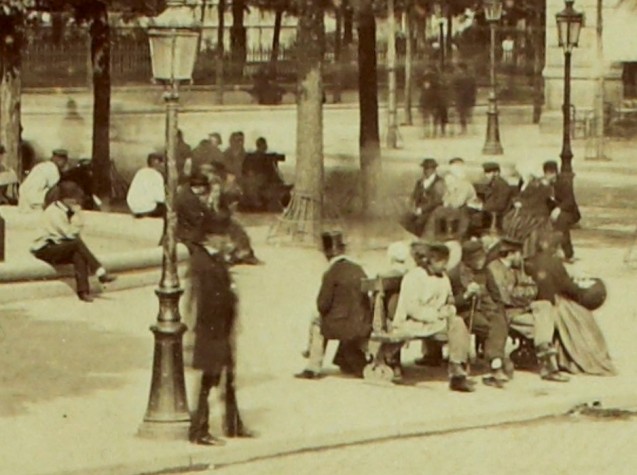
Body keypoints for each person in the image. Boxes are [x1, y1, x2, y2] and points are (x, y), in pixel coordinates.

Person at [177, 176, 253, 446]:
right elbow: (206, 300)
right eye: (224, 238)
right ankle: (199, 430)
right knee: (209, 381)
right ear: (212, 237)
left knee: (226, 380)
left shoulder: (213, 259)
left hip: (221, 329)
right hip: (211, 330)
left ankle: (232, 425)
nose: (228, 243)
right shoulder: (203, 263)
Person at [525, 232, 615, 376]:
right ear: (555, 248)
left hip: (532, 301)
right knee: (582, 319)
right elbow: (567, 287)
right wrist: (583, 287)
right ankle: (576, 358)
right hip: (551, 304)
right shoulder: (554, 263)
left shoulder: (529, 261)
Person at [392, 242, 476, 392]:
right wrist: (436, 315)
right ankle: (457, 370)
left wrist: (449, 310)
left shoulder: (443, 277)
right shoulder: (414, 277)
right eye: (442, 262)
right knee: (455, 324)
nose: (445, 267)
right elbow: (412, 308)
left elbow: (448, 299)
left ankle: (457, 370)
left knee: (457, 322)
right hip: (414, 321)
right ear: (432, 260)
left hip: (436, 321)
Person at [486, 237, 569, 382]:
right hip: (506, 313)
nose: (521, 257)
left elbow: (533, 288)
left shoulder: (518, 268)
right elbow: (505, 297)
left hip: (522, 308)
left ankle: (545, 356)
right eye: (518, 253)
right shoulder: (495, 269)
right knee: (546, 324)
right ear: (510, 253)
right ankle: (548, 365)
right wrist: (523, 293)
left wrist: (521, 293)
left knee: (545, 306)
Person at [295, 231, 372, 380]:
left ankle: (313, 365)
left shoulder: (331, 273)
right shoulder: (358, 268)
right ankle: (341, 357)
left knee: (317, 321)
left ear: (328, 253)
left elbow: (322, 305)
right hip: (362, 321)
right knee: (341, 315)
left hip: (343, 324)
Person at [30, 182, 116, 302]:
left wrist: (77, 215)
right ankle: (99, 271)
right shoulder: (54, 212)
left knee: (78, 254)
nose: (75, 202)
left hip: (56, 245)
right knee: (76, 244)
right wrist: (78, 216)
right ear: (64, 199)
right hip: (44, 249)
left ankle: (83, 291)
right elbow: (70, 234)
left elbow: (71, 234)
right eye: (72, 199)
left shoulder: (65, 210)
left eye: (76, 199)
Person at [448, 240, 511, 388]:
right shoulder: (455, 275)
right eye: (477, 259)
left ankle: (496, 364)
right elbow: (451, 303)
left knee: (499, 320)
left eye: (482, 257)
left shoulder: (485, 272)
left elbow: (495, 294)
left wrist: (499, 309)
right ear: (468, 259)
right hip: (466, 312)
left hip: (486, 309)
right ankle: (495, 364)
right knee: (487, 326)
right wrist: (466, 294)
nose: (481, 262)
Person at [206, 176, 261, 265]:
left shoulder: (221, 200)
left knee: (238, 229)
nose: (216, 194)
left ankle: (245, 253)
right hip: (210, 227)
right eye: (214, 191)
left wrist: (220, 212)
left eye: (218, 191)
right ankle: (236, 255)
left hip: (222, 224)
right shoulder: (204, 202)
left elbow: (226, 213)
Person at [502, 168, 553, 258]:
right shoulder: (531, 184)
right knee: (511, 220)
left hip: (535, 213)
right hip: (528, 210)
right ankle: (515, 247)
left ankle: (526, 252)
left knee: (524, 225)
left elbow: (534, 200)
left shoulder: (538, 185)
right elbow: (522, 196)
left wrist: (521, 203)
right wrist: (517, 201)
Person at [543, 160, 581, 262]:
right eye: (546, 173)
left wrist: (558, 209)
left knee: (561, 221)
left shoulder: (564, 183)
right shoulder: (545, 184)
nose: (547, 176)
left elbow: (570, 201)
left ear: (554, 173)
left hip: (569, 211)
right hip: (552, 211)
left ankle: (569, 253)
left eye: (549, 174)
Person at [401, 158, 445, 237]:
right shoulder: (420, 182)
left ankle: (420, 239)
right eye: (425, 168)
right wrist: (411, 205)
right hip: (419, 209)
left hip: (432, 210)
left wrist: (422, 209)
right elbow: (415, 195)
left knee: (419, 222)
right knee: (404, 220)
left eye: (429, 169)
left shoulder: (439, 182)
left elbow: (437, 201)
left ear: (434, 170)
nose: (426, 171)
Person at [126, 152, 166, 218]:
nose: (163, 166)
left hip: (133, 207)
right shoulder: (157, 176)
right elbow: (161, 198)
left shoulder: (140, 172)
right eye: (161, 163)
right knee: (166, 207)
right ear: (157, 163)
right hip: (148, 209)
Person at [481, 162, 513, 232]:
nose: (486, 175)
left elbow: (500, 205)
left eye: (489, 172)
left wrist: (482, 207)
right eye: (486, 172)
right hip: (493, 214)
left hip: (499, 217)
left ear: (496, 172)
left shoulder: (502, 185)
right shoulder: (493, 183)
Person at [452, 63, 477, 135]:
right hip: (469, 98)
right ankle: (472, 130)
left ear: (460, 69)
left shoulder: (457, 78)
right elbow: (474, 89)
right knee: (469, 114)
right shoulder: (471, 77)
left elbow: (454, 88)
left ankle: (464, 130)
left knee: (462, 115)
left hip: (461, 98)